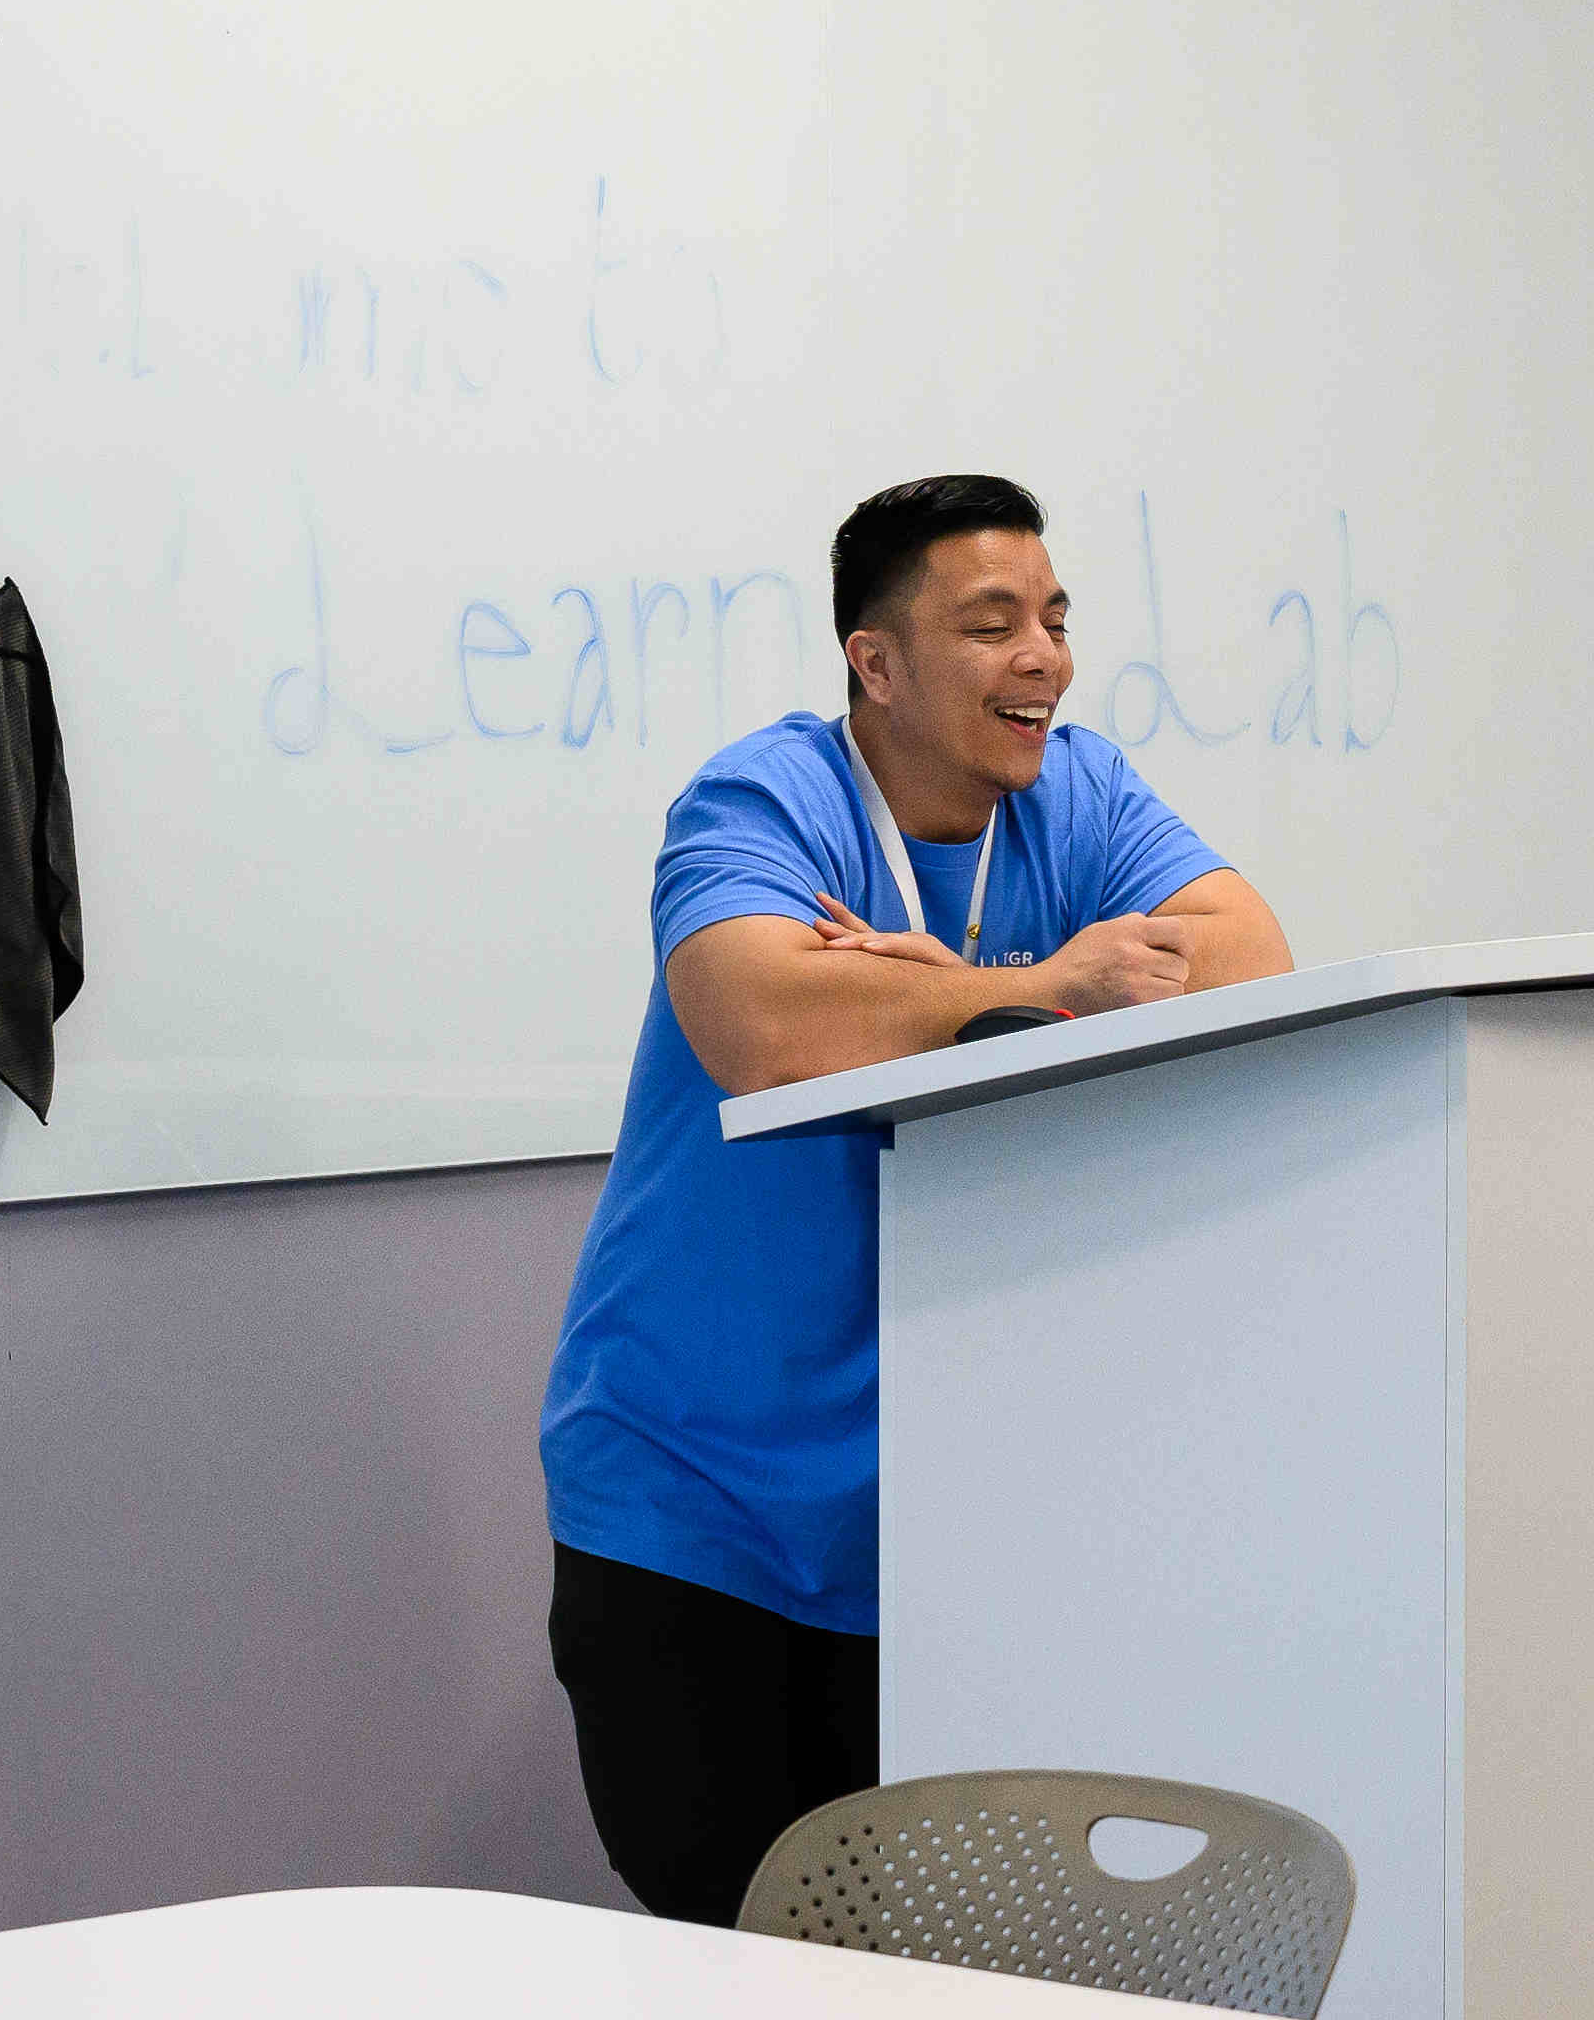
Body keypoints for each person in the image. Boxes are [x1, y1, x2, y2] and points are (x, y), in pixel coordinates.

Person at [535, 476, 1280, 1924]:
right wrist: (1045, 986)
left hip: (949, 1514)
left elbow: (1247, 961)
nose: (1043, 659)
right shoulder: (766, 797)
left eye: (1055, 620)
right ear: (874, 664)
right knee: (744, 1945)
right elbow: (759, 1017)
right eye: (992, 625)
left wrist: (930, 987)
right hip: (697, 1503)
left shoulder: (1082, 794)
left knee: (927, 1978)